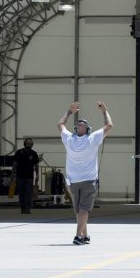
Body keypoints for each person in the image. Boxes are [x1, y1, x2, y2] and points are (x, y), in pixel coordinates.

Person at [58, 100, 113, 245]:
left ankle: (84, 235)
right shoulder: (92, 138)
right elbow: (109, 126)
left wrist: (70, 112)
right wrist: (104, 111)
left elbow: (60, 125)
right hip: (88, 180)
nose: (81, 124)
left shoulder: (69, 139)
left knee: (79, 210)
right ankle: (78, 236)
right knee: (83, 210)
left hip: (73, 181)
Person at [12, 138, 40, 215]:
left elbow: (36, 165)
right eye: (28, 144)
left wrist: (37, 175)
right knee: (21, 194)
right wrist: (13, 174)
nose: (29, 145)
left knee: (28, 194)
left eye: (31, 144)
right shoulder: (19, 152)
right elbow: (15, 164)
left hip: (29, 177)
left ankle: (28, 209)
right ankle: (23, 208)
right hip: (20, 177)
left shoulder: (34, 153)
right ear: (25, 144)